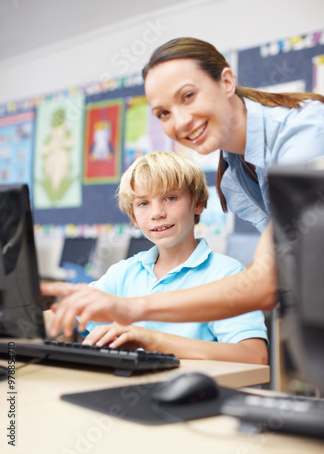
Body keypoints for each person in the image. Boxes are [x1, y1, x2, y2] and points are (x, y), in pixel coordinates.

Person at [45, 36, 324, 335]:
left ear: (226, 81)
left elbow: (266, 282)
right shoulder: (235, 175)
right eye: (163, 113)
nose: (180, 122)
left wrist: (134, 307)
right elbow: (283, 262)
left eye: (188, 96)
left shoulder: (307, 132)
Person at [46, 151, 268, 364]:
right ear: (133, 217)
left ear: (198, 203)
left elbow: (253, 356)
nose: (157, 213)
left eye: (171, 198)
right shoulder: (124, 272)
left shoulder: (227, 273)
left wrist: (152, 340)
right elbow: (63, 318)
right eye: (143, 203)